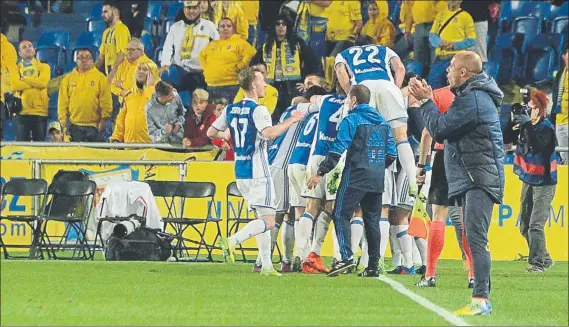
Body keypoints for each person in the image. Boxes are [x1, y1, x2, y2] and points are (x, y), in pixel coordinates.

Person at [408, 50, 504, 316]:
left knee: (475, 237)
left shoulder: (472, 99)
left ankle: (481, 299)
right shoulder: (471, 97)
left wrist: (427, 101)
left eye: (451, 66)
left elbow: (438, 130)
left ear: (464, 73)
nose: (447, 71)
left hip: (479, 177)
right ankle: (479, 295)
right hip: (472, 175)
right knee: (473, 236)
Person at [207, 67, 304, 276]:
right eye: (262, 81)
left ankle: (267, 266)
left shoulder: (231, 109)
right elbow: (269, 134)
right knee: (269, 220)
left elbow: (211, 132)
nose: (265, 85)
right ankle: (233, 241)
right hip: (259, 171)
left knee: (261, 218)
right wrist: (292, 120)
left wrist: (230, 136)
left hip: (241, 171)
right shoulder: (259, 110)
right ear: (253, 85)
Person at [335, 36, 417, 270]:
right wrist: (394, 87)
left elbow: (341, 73)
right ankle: (413, 182)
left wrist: (350, 94)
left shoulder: (346, 54)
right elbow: (400, 67)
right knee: (399, 136)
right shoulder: (384, 49)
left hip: (363, 88)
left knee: (359, 134)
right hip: (388, 86)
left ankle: (352, 257)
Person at [307, 84, 397, 277]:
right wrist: (377, 167)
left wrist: (321, 172)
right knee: (372, 220)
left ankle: (346, 257)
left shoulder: (352, 119)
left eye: (348, 99)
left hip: (355, 175)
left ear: (354, 100)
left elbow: (338, 148)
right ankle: (373, 265)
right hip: (377, 178)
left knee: (340, 214)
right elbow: (392, 153)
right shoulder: (383, 122)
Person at [415, 85, 475, 288]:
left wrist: (421, 165)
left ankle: (430, 274)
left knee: (439, 215)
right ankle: (473, 275)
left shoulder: (440, 95)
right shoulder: (479, 96)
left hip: (444, 155)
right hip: (469, 157)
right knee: (468, 216)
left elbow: (426, 134)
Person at [264, 75, 323, 272]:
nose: (306, 88)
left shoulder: (291, 109)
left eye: (310, 85)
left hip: (278, 162)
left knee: (288, 215)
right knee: (287, 214)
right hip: (284, 164)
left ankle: (287, 260)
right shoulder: (308, 109)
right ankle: (268, 260)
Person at [502, 87, 557, 273]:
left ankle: (538, 264)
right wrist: (512, 122)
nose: (528, 112)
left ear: (540, 109)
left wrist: (528, 126)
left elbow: (539, 147)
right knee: (524, 225)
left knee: (535, 225)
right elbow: (506, 138)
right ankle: (545, 258)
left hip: (545, 181)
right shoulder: (526, 126)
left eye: (531, 108)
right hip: (529, 179)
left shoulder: (547, 128)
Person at [297, 81, 346, 274]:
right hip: (337, 158)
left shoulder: (324, 99)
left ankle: (300, 254)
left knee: (310, 207)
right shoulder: (352, 103)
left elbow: (310, 98)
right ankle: (338, 257)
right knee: (333, 209)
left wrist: (316, 85)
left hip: (316, 157)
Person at [250, 13, 320, 122]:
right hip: (270, 87)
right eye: (278, 24)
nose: (281, 26)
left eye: (284, 24)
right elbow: (253, 67)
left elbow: (314, 63)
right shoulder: (265, 46)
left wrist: (307, 83)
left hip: (292, 87)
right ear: (274, 27)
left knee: (292, 117)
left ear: (288, 27)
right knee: (272, 117)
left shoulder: (297, 44)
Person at [160, 0, 219, 94]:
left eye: (194, 8)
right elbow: (167, 47)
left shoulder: (209, 26)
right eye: (188, 8)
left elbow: (218, 47)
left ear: (199, 8)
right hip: (180, 70)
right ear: (183, 9)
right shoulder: (175, 27)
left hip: (201, 73)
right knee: (166, 76)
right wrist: (165, 64)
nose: (191, 11)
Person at [58, 49, 112, 142]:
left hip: (95, 126)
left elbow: (106, 101)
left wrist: (103, 120)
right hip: (74, 126)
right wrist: (63, 122)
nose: (84, 60)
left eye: (88, 57)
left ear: (92, 60)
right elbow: (62, 103)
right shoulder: (68, 79)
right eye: (81, 57)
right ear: (76, 60)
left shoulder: (100, 78)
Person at [199, 17, 256, 102]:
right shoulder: (212, 44)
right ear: (218, 29)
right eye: (222, 26)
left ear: (233, 29)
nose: (225, 28)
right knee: (215, 114)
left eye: (228, 26)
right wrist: (206, 69)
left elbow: (251, 53)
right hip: (211, 86)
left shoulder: (240, 42)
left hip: (231, 86)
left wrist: (241, 66)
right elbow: (201, 55)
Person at [11, 40, 50, 141]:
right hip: (22, 112)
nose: (28, 48)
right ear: (19, 53)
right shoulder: (15, 68)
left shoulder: (44, 67)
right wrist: (34, 82)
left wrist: (24, 79)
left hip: (40, 112)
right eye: (24, 47)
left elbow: (42, 83)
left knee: (39, 147)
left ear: (34, 50)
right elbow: (15, 85)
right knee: (22, 147)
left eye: (30, 46)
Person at [110, 63, 154, 143]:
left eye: (145, 69)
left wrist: (150, 88)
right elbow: (121, 121)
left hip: (150, 148)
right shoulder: (129, 96)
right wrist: (116, 138)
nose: (141, 72)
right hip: (129, 146)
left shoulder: (159, 95)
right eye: (139, 69)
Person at [401, 0, 447, 76]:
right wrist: (407, 28)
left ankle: (435, 84)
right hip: (419, 26)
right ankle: (421, 83)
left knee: (435, 58)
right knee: (419, 59)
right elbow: (408, 8)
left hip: (436, 25)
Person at [96, 1, 132, 76]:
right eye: (102, 12)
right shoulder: (106, 32)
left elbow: (122, 55)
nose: (102, 15)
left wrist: (112, 74)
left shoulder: (122, 29)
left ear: (115, 12)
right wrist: (90, 72)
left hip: (121, 76)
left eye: (105, 12)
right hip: (109, 75)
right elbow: (101, 57)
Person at [554, 45, 568, 164]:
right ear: (564, 56)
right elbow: (555, 97)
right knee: (564, 157)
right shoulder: (560, 75)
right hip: (560, 120)